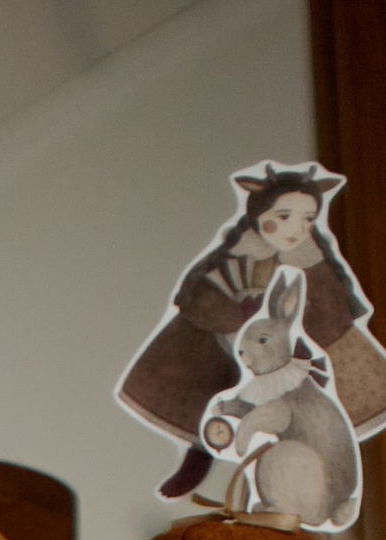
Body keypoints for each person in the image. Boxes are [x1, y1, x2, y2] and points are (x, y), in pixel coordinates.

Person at [119, 164, 386, 503]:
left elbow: (331, 311)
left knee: (299, 417)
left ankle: (285, 483)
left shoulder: (310, 260)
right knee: (211, 405)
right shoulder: (237, 254)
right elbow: (203, 296)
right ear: (261, 213)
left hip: (287, 355)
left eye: (307, 218)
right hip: (229, 350)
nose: (296, 228)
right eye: (285, 215)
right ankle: (203, 457)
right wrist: (231, 317)